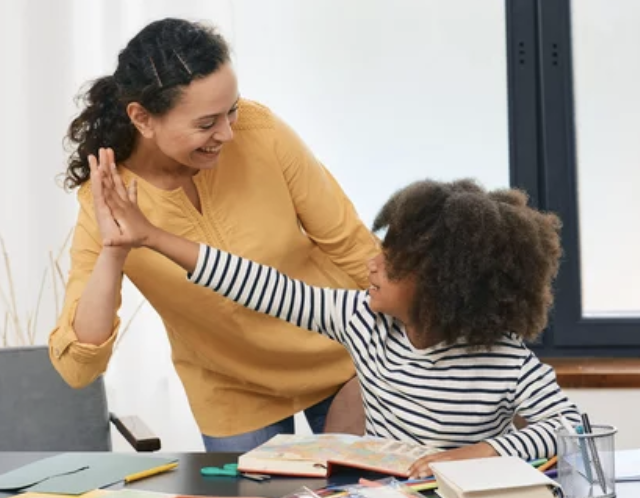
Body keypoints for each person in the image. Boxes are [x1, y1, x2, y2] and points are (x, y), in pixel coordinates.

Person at [96, 173, 582, 477]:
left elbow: (568, 426)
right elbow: (260, 285)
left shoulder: (503, 358)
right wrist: (154, 237)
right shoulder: (363, 321)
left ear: (441, 285)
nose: (373, 263)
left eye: (391, 261)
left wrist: (472, 455)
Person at [48, 18, 382, 452]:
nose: (227, 133)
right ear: (142, 118)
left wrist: (422, 341)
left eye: (232, 110)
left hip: (342, 359)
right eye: (206, 123)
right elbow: (79, 367)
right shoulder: (107, 198)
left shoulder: (260, 133)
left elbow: (352, 245)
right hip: (233, 390)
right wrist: (114, 252)